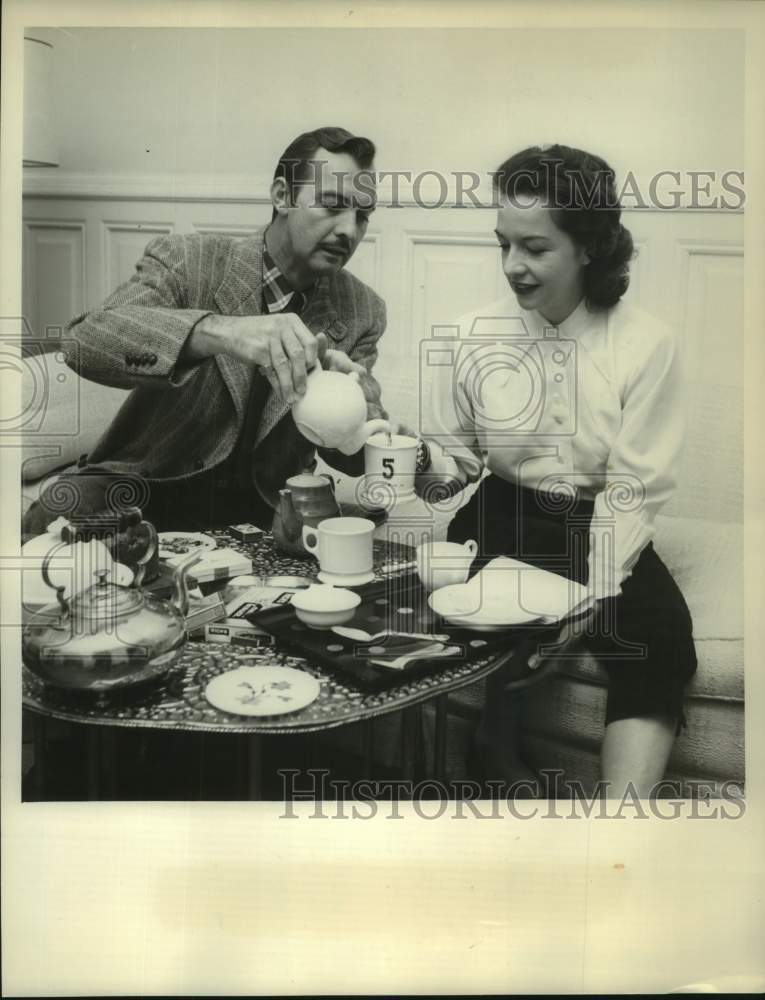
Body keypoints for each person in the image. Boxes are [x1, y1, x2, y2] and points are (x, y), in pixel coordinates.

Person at [418, 144, 697, 799]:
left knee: (659, 637)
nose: (512, 265)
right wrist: (418, 459)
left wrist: (593, 596)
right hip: (501, 509)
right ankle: (493, 743)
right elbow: (455, 462)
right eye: (504, 244)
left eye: (535, 247)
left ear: (589, 247)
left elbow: (633, 492)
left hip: (600, 516)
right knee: (508, 614)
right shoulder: (470, 333)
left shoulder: (645, 344)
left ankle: (620, 821)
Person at [23, 126, 395, 537]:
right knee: (53, 530)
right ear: (281, 196)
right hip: (142, 493)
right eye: (332, 205)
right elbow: (84, 341)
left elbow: (351, 459)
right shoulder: (189, 261)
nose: (349, 231)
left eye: (362, 216)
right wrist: (219, 332)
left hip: (265, 518)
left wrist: (361, 412)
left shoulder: (362, 309)